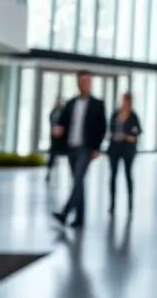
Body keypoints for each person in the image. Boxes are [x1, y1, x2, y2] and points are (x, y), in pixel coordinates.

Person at [52, 71, 107, 229]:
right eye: (82, 81)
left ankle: (65, 212)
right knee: (79, 182)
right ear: (78, 83)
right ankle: (80, 218)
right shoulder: (70, 103)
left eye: (88, 81)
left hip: (86, 148)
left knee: (78, 180)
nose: (85, 84)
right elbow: (62, 124)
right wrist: (59, 133)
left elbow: (102, 128)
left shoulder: (98, 104)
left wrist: (97, 148)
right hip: (71, 148)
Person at [107, 92, 142, 215]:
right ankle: (112, 203)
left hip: (127, 149)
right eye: (123, 100)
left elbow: (136, 133)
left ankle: (130, 202)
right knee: (113, 175)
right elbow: (110, 129)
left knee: (128, 174)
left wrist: (128, 137)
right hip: (114, 147)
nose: (124, 103)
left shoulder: (133, 116)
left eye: (126, 100)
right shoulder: (115, 113)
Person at [45, 97, 63, 183]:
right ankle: (49, 170)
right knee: (52, 154)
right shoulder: (54, 111)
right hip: (54, 137)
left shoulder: (63, 112)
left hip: (61, 138)